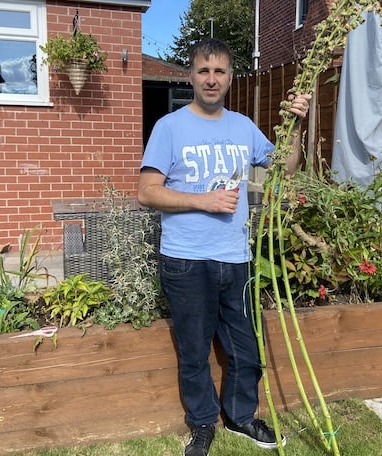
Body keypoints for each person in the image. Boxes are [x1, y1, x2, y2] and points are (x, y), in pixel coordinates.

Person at [138, 38, 310, 456]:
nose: (211, 79)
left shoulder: (243, 127)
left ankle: (240, 417)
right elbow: (146, 191)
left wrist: (296, 124)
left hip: (237, 258)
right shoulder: (170, 127)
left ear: (231, 77)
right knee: (194, 350)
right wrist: (203, 200)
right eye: (203, 71)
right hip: (186, 260)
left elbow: (286, 166)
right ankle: (201, 425)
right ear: (191, 76)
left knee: (245, 348)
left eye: (219, 72)